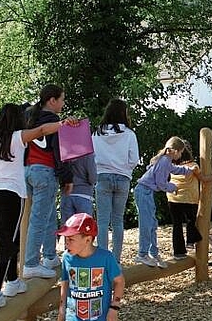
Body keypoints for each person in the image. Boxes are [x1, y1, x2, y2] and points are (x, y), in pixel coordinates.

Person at [0, 103, 65, 311]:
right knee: (7, 243)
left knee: (10, 239)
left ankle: (13, 281)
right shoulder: (17, 137)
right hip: (13, 194)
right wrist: (63, 124)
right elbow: (43, 130)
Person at [23, 84, 73, 279]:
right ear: (52, 100)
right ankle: (31, 263)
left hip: (27, 170)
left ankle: (50, 255)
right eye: (61, 99)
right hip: (45, 171)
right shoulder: (54, 122)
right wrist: (66, 178)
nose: (63, 103)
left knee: (49, 214)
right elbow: (60, 152)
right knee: (39, 218)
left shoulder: (29, 117)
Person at [134, 137, 199, 268]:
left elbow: (175, 169)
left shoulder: (166, 161)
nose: (181, 155)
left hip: (147, 192)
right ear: (174, 151)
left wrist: (188, 170)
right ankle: (142, 254)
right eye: (180, 152)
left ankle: (153, 253)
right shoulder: (164, 161)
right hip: (144, 192)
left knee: (152, 223)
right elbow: (161, 183)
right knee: (147, 224)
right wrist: (173, 187)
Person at [92, 98, 140, 263]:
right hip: (122, 177)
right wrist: (124, 168)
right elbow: (134, 159)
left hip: (102, 176)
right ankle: (116, 259)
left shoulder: (97, 133)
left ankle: (102, 258)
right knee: (118, 220)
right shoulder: (129, 134)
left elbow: (92, 156)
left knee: (103, 221)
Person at [166, 142, 201, 260]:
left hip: (173, 197)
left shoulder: (172, 166)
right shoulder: (193, 165)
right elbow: (202, 177)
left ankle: (179, 252)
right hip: (188, 198)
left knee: (177, 224)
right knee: (191, 220)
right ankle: (191, 241)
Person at [60, 153, 96, 223]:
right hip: (84, 194)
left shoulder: (63, 152)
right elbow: (93, 179)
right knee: (84, 230)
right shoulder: (88, 153)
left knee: (68, 230)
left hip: (66, 194)